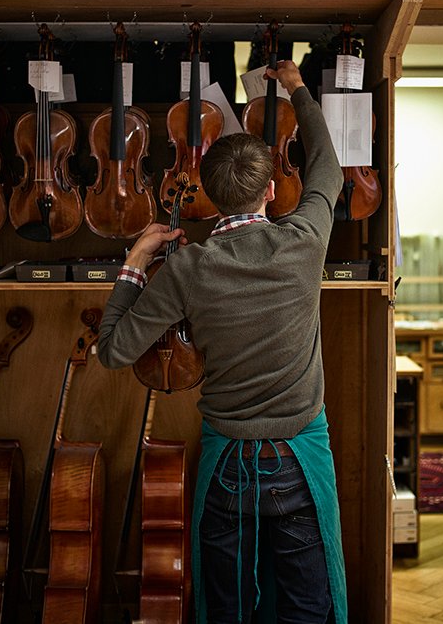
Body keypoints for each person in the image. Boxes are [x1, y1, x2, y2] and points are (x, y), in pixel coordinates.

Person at [98, 60, 348, 623]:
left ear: (208, 197)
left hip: (227, 463)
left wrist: (136, 262)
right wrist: (297, 89)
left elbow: (112, 350)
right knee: (308, 608)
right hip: (301, 459)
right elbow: (327, 167)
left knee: (229, 608)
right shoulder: (305, 238)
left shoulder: (187, 268)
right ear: (269, 190)